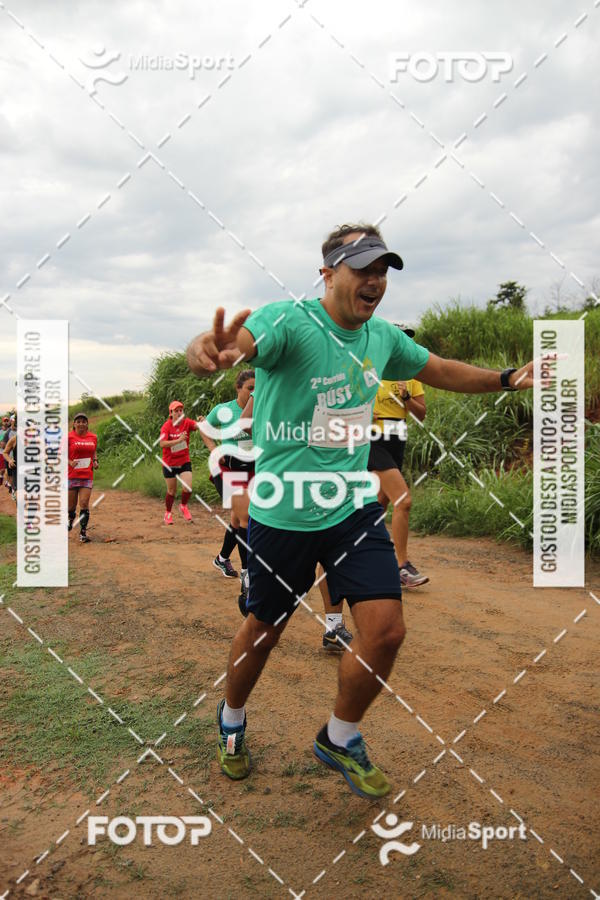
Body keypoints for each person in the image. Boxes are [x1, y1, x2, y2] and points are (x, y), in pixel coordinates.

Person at [186, 222, 534, 799]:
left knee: (386, 630)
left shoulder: (382, 338)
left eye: (382, 270)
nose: (374, 281)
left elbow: (438, 369)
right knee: (263, 632)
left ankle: (339, 736)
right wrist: (210, 351)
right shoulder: (290, 320)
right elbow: (237, 344)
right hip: (285, 511)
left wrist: (504, 379)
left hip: (351, 507)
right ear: (327, 275)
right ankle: (231, 719)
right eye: (362, 268)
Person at [369, 331, 428, 587]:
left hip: (398, 439)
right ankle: (402, 566)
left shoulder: (411, 378)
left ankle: (365, 557)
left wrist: (406, 398)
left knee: (380, 504)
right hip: (373, 439)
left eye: (408, 340)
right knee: (403, 501)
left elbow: (421, 414)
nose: (405, 344)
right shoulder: (371, 372)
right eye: (400, 339)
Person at [199, 370, 255, 604]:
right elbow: (204, 428)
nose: (253, 392)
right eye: (249, 388)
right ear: (238, 388)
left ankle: (222, 558)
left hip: (252, 467)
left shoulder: (260, 409)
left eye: (256, 388)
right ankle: (247, 573)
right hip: (226, 468)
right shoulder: (225, 409)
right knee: (244, 515)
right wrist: (215, 450)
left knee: (237, 518)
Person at [159, 401, 201, 524]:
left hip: (183, 461)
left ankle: (183, 506)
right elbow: (162, 443)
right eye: (176, 411)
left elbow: (198, 426)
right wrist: (178, 440)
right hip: (169, 463)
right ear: (171, 413)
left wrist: (202, 421)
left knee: (187, 488)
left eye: (180, 410)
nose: (179, 413)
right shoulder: (166, 426)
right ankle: (168, 513)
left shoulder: (187, 423)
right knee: (171, 491)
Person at [68, 413, 98, 542]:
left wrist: (96, 460)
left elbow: (94, 450)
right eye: (78, 421)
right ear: (74, 424)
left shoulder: (93, 437)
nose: (81, 424)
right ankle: (70, 519)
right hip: (71, 475)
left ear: (87, 423)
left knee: (84, 503)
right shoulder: (69, 437)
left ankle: (83, 532)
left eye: (83, 421)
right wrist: (70, 462)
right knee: (71, 507)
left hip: (87, 475)